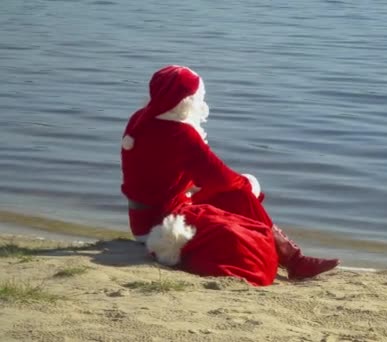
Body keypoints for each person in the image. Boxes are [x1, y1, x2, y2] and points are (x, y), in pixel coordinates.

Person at [121, 65, 339, 285]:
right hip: (162, 224)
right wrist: (250, 184)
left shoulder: (140, 119)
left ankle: (294, 259)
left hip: (146, 217)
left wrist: (238, 186)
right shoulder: (181, 133)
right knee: (241, 191)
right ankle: (294, 261)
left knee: (239, 195)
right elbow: (220, 177)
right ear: (187, 99)